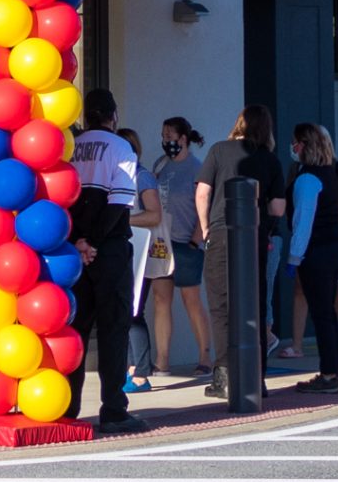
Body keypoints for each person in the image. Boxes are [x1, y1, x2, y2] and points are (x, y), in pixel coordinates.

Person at [67, 90, 148, 433]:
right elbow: (120, 202)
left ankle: (67, 406)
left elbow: (63, 197)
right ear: (113, 115)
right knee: (114, 328)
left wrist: (79, 241)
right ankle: (113, 407)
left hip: (72, 249)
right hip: (110, 249)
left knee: (75, 329)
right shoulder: (120, 148)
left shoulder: (72, 146)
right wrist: (96, 242)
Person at [197, 105, 287, 402]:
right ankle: (255, 377)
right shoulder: (270, 159)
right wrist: (266, 227)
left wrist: (206, 227)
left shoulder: (219, 150)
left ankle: (223, 376)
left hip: (222, 233)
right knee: (254, 306)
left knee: (221, 306)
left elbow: (202, 192)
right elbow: (277, 208)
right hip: (255, 237)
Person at [286, 122, 338, 394]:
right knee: (328, 313)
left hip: (317, 249)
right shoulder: (331, 172)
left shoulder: (307, 178)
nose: (293, 147)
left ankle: (328, 375)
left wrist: (294, 258)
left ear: (304, 145)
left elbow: (303, 222)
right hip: (335, 243)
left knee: (321, 313)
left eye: (296, 142)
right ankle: (332, 369)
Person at [149, 118, 210, 374]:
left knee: (190, 299)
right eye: (163, 135)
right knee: (161, 300)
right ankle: (162, 360)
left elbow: (204, 204)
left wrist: (196, 240)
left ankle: (205, 357)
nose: (166, 141)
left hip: (187, 243)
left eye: (170, 135)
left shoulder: (198, 168)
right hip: (161, 243)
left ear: (183, 138)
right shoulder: (161, 165)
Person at [118, 128, 163, 394]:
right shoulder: (118, 176)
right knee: (124, 311)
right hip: (124, 249)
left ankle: (141, 373)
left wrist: (122, 220)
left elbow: (154, 215)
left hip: (140, 249)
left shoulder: (142, 176)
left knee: (134, 311)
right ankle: (131, 368)